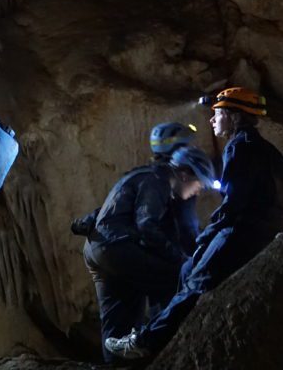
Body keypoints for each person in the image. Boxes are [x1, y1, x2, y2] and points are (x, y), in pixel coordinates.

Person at [105, 87, 283, 360]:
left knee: (197, 279)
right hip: (266, 227)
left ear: (233, 116)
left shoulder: (240, 146)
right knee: (189, 270)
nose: (212, 120)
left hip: (248, 229)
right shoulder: (263, 148)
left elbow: (233, 204)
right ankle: (162, 339)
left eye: (217, 114)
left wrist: (206, 238)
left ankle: (146, 342)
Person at [83, 145, 216, 362]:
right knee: (177, 279)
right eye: (199, 183)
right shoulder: (158, 181)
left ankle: (118, 364)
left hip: (96, 249)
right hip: (117, 248)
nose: (199, 191)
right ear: (184, 173)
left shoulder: (141, 175)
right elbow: (146, 224)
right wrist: (180, 259)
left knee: (118, 318)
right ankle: (163, 349)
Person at [71, 122, 203, 259]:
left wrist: (89, 220)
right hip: (129, 249)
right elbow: (185, 227)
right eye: (188, 146)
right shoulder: (175, 180)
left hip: (105, 245)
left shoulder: (145, 173)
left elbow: (117, 204)